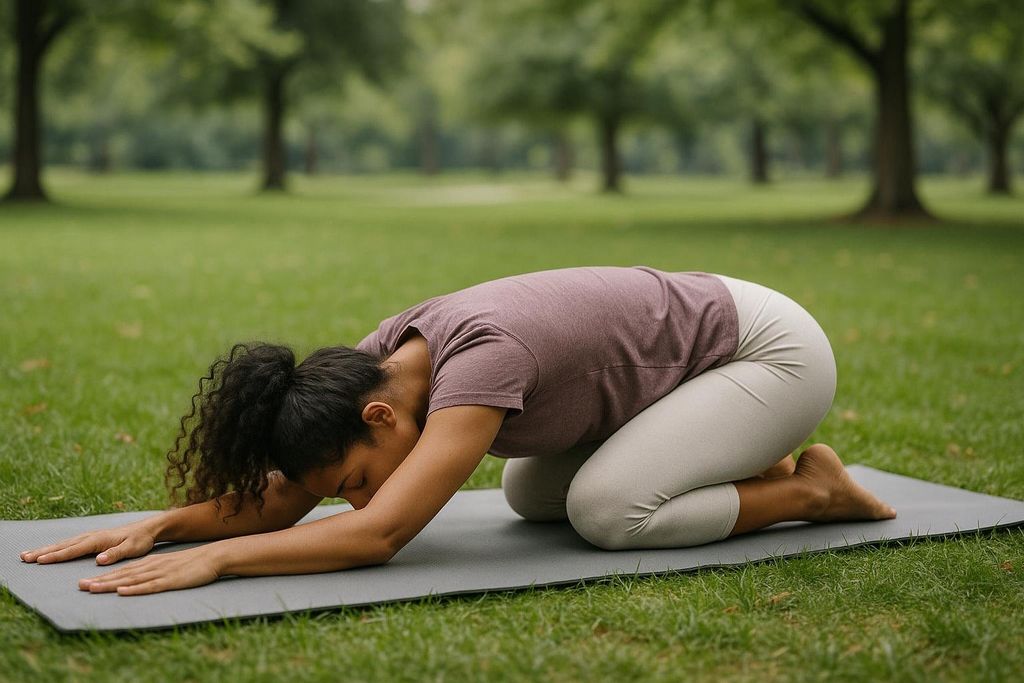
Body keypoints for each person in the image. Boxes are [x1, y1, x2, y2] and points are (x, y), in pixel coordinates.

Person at [19, 266, 896, 596]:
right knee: (529, 493)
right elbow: (294, 501)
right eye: (348, 486)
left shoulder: (476, 364)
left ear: (380, 417)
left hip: (769, 352)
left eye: (358, 473)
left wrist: (221, 558)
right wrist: (168, 524)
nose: (358, 493)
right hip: (692, 367)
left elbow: (380, 533)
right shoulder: (371, 371)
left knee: (606, 512)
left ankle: (809, 486)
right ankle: (750, 453)